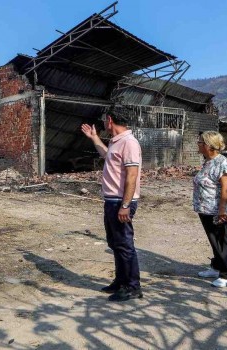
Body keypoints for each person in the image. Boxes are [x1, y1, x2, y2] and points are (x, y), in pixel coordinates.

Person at [81, 106, 143, 301]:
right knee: (116, 243)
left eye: (105, 121)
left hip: (120, 202)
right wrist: (94, 138)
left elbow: (132, 176)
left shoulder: (129, 143)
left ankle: (132, 287)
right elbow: (107, 155)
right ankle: (120, 281)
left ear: (110, 120)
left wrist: (125, 205)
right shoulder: (117, 142)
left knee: (124, 245)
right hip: (112, 200)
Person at [193, 131, 227, 288]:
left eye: (200, 142)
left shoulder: (222, 163)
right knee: (214, 240)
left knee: (222, 241)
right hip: (206, 209)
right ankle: (216, 267)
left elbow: (225, 188)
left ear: (208, 146)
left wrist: (222, 211)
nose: (198, 144)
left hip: (218, 210)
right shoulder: (208, 161)